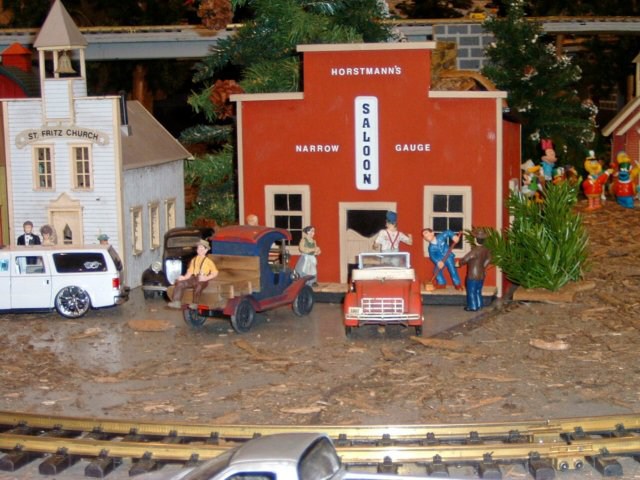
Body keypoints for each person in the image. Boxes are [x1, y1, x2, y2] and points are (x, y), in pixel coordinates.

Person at [168, 239, 218, 309]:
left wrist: (206, 278)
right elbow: (190, 271)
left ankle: (195, 303)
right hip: (193, 278)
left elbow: (215, 272)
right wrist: (184, 278)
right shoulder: (194, 260)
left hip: (202, 280)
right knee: (180, 283)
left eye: (202, 248)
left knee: (198, 286)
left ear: (206, 250)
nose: (200, 250)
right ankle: (176, 302)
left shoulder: (208, 261)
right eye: (198, 248)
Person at [457, 228, 492, 311]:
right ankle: (479, 304)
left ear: (476, 239)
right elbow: (489, 259)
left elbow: (465, 259)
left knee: (471, 291)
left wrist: (459, 263)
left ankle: (473, 306)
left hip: (473, 274)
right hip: (481, 274)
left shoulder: (474, 251)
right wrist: (483, 266)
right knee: (478, 290)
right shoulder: (486, 249)